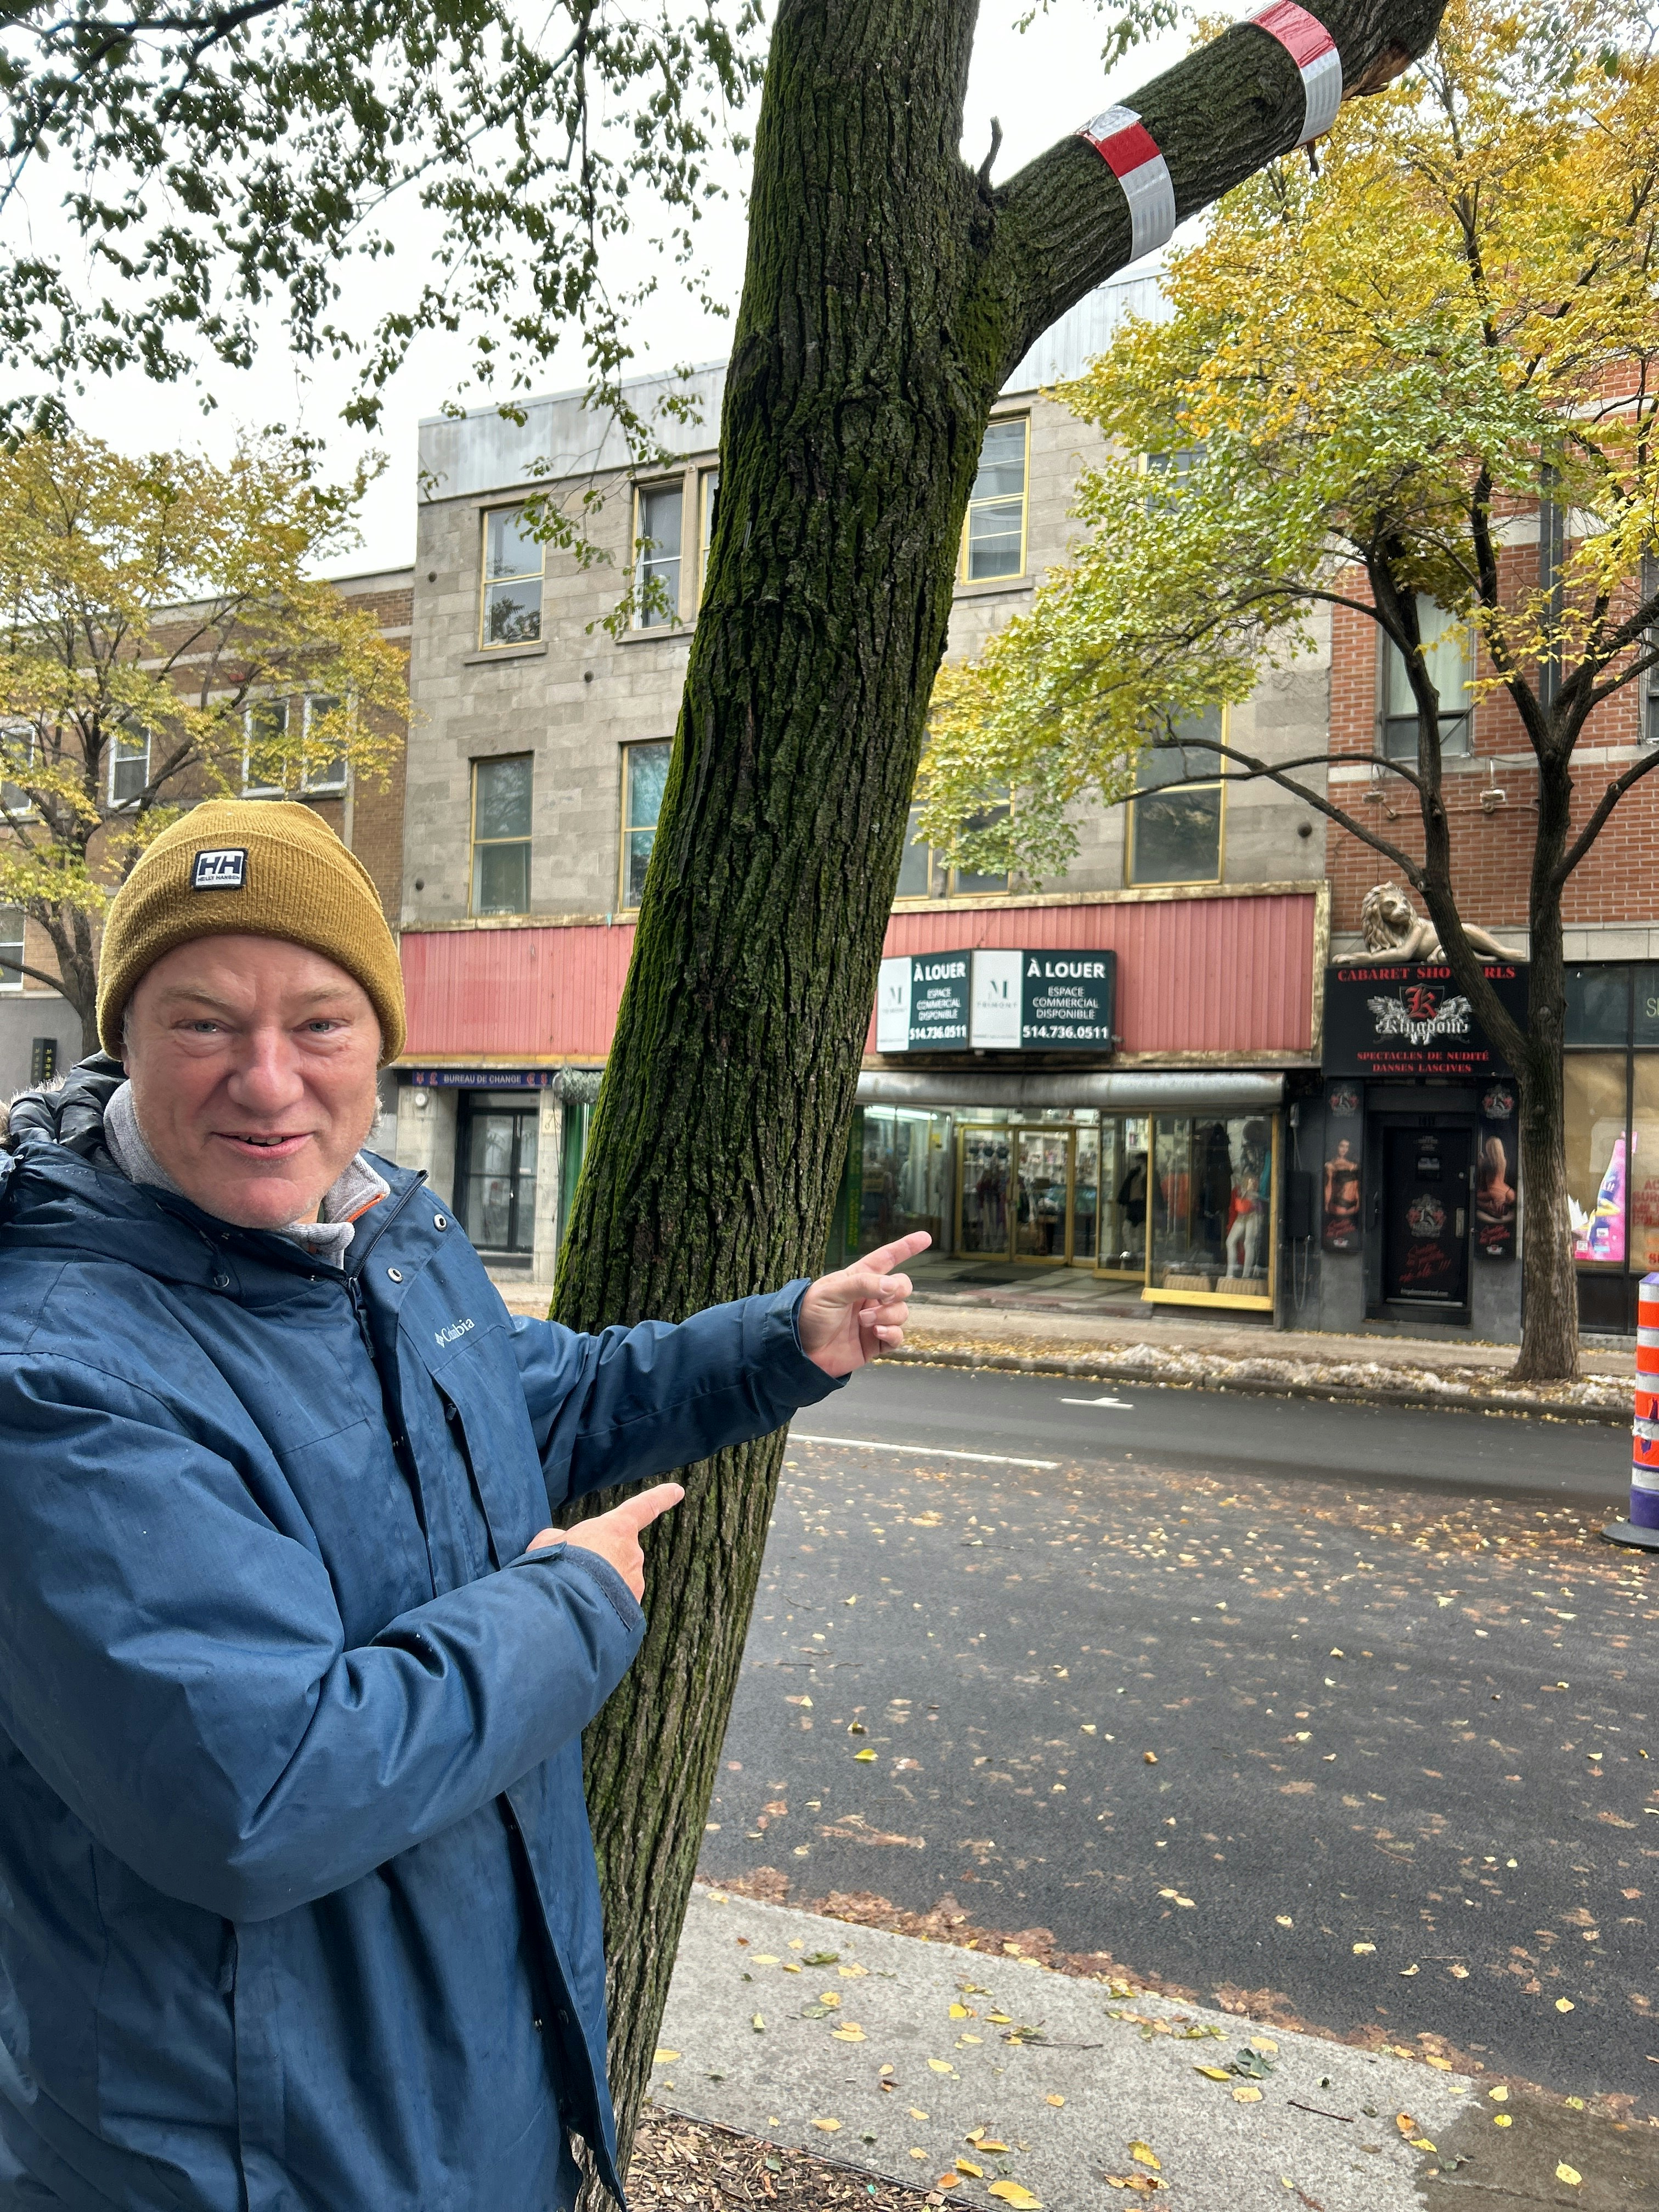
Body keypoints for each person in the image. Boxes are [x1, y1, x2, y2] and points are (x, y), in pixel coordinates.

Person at [0, 801, 927, 2212]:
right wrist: (573, 1608)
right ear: (126, 1037)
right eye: (204, 1024)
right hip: (243, 2155)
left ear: (380, 1043)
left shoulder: (377, 1238)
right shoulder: (55, 1368)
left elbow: (538, 1396)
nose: (268, 1080)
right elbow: (257, 1794)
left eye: (319, 1024)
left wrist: (782, 1338)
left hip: (461, 2091)